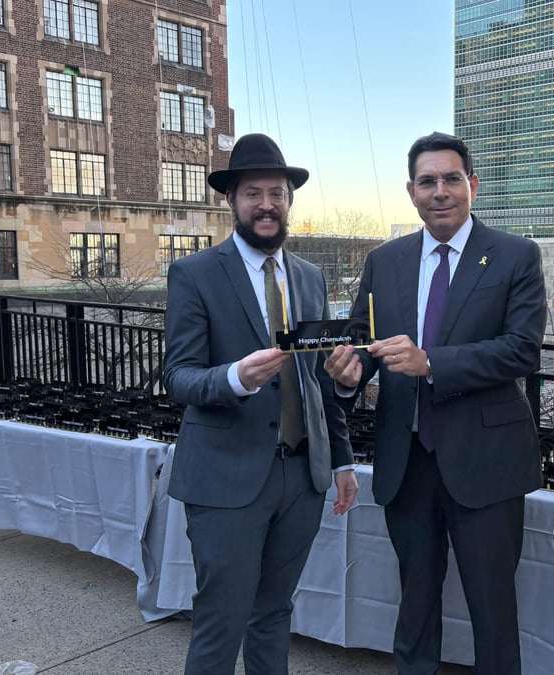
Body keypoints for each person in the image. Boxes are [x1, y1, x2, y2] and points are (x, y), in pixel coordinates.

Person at [325, 131, 546, 674]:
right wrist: (349, 371)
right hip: (409, 463)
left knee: (493, 612)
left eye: (451, 179)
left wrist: (433, 363)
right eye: (428, 181)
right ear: (411, 191)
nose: (440, 191)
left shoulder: (516, 255)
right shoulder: (384, 261)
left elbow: (522, 350)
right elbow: (364, 338)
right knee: (415, 605)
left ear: (472, 185)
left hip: (486, 463)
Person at [163, 133, 358, 675]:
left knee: (274, 614)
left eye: (277, 192)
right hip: (226, 481)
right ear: (232, 201)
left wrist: (340, 455)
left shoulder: (311, 278)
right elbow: (176, 377)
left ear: (290, 200)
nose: (266, 204)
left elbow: (320, 383)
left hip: (302, 478)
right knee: (221, 620)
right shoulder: (195, 274)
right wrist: (234, 377)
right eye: (253, 193)